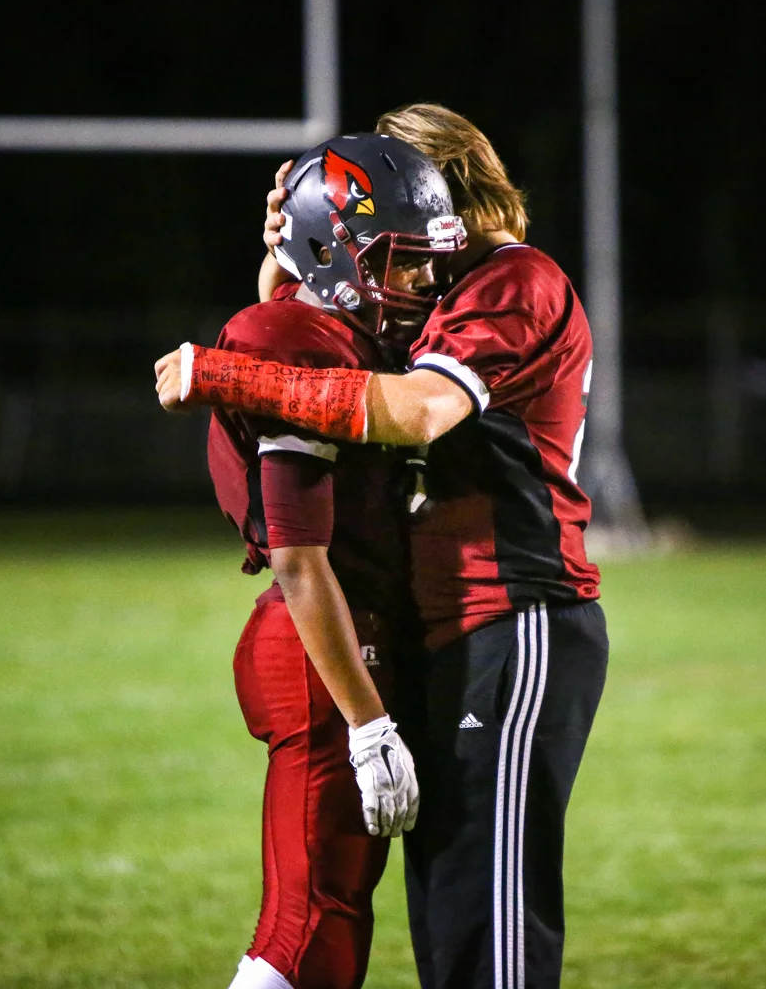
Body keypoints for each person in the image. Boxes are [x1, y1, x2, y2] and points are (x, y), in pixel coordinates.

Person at [156, 104, 609, 989]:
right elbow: (319, 335)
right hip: (443, 623)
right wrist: (292, 256)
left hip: (514, 616)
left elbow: (416, 409)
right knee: (445, 916)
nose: (405, 264)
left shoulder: (511, 279)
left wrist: (221, 372)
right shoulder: (443, 283)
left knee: (491, 926)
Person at [155, 131, 466, 989]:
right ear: (335, 251)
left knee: (333, 912)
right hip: (318, 644)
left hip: (338, 634)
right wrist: (367, 725)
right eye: (400, 264)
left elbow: (300, 295)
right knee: (311, 923)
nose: (420, 287)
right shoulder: (291, 339)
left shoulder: (315, 318)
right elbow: (300, 560)